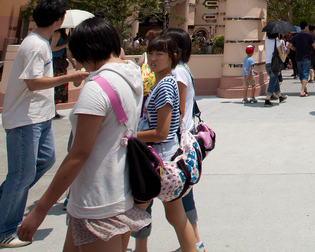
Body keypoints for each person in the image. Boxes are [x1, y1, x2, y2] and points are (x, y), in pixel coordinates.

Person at [16, 16, 152, 250]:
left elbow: (79, 153)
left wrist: (39, 210)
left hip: (97, 200)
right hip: (117, 188)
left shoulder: (97, 87)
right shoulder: (131, 76)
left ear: (84, 53)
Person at [0, 0, 89, 248]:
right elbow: (33, 82)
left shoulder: (42, 43)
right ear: (58, 20)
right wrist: (70, 77)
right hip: (25, 118)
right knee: (21, 175)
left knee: (45, 159)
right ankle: (5, 231)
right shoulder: (34, 46)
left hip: (40, 116)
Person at [133, 35, 199, 252]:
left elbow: (162, 133)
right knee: (177, 218)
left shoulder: (164, 86)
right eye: (150, 53)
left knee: (130, 220)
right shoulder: (163, 82)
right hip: (168, 162)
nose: (152, 58)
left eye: (159, 54)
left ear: (172, 57)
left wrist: (131, 136)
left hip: (158, 165)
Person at [161, 28, 204, 248]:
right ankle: (195, 241)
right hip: (183, 138)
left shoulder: (177, 73)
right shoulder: (183, 69)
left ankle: (194, 242)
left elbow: (176, 110)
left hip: (177, 142)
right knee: (184, 194)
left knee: (180, 196)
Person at [289, 24, 315, 97]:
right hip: (306, 57)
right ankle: (302, 91)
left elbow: (290, 46)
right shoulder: (308, 36)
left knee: (301, 74)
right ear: (306, 27)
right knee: (305, 74)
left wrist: (295, 49)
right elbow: (314, 45)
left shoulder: (296, 36)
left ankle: (304, 89)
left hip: (298, 58)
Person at [263, 32, 287, 106]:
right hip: (274, 64)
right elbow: (280, 53)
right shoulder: (276, 42)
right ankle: (267, 99)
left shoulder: (266, 41)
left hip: (267, 63)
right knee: (273, 80)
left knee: (275, 79)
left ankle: (280, 96)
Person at [51, 27, 72, 107]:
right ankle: (53, 108)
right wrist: (65, 45)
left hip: (61, 63)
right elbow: (52, 48)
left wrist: (72, 61)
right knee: (57, 85)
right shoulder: (57, 34)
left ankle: (55, 108)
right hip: (55, 62)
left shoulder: (63, 35)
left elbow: (65, 51)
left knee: (61, 85)